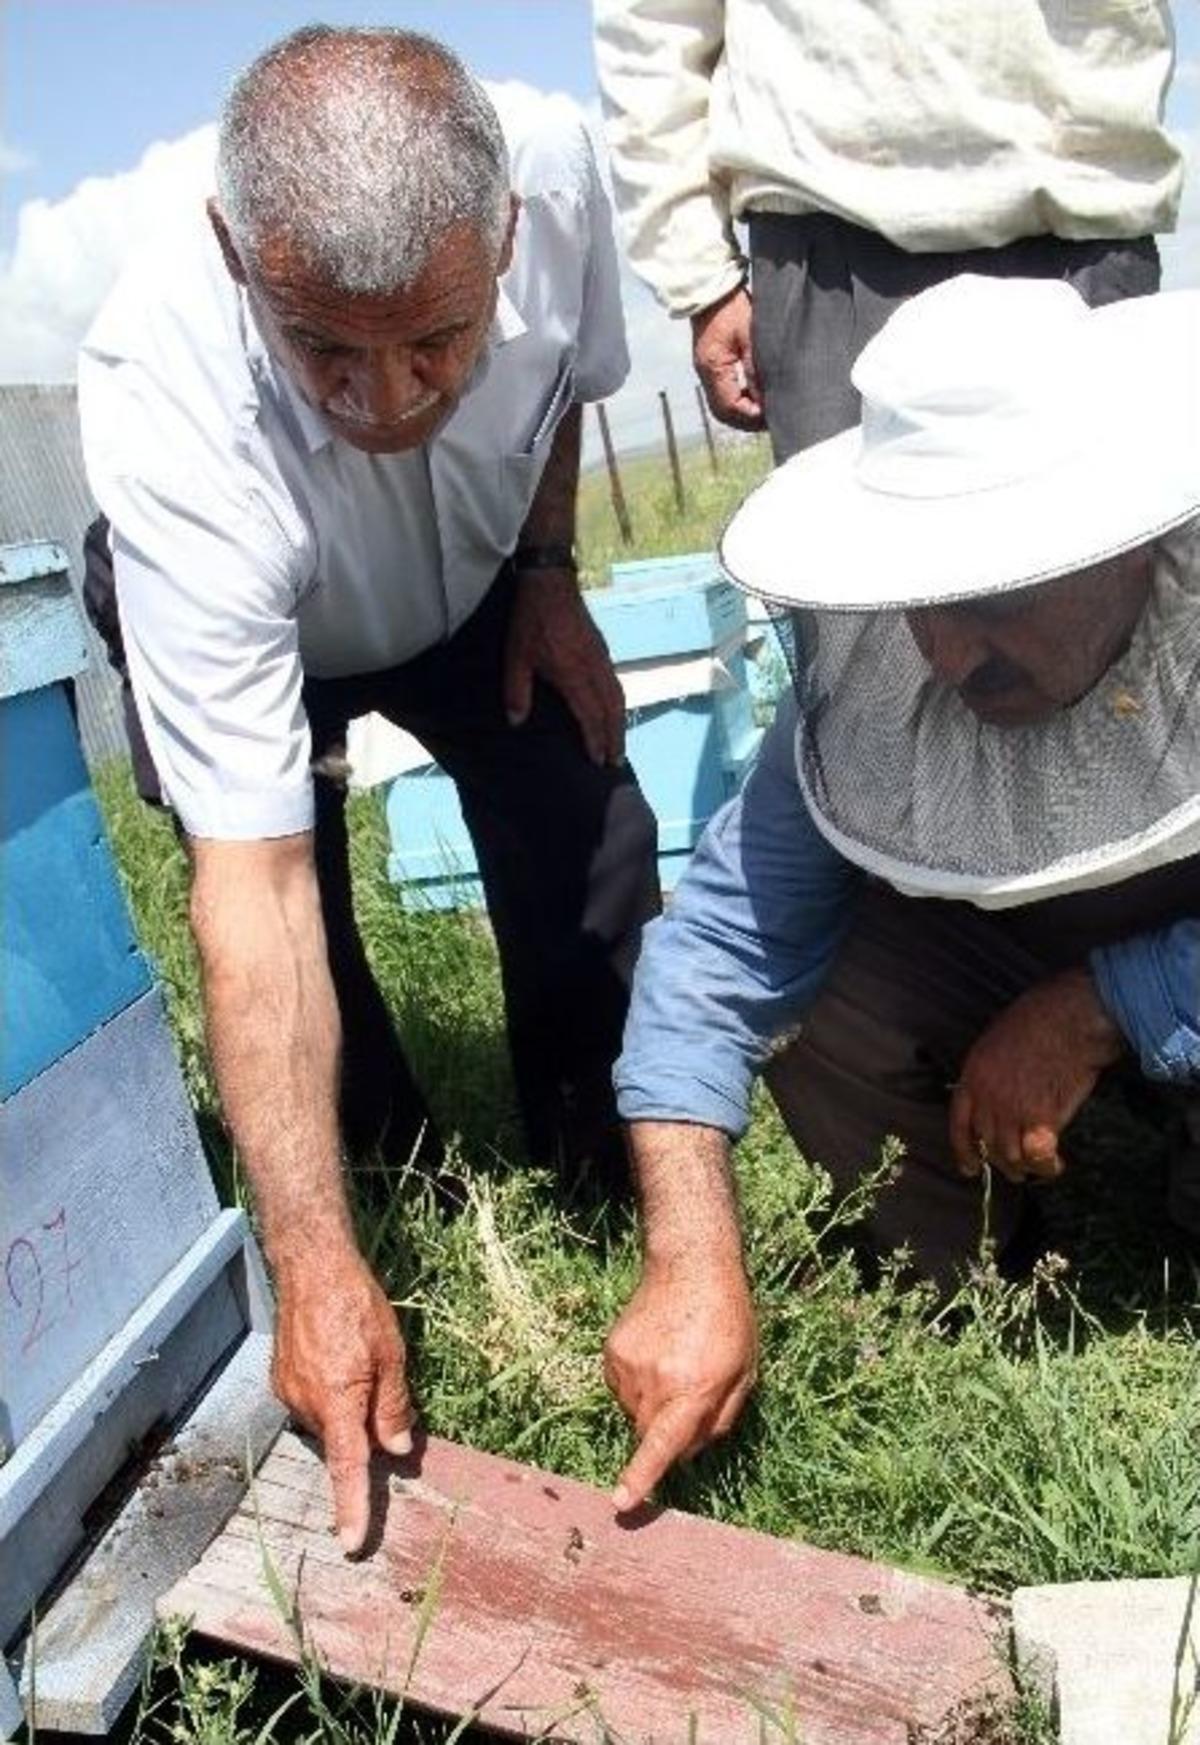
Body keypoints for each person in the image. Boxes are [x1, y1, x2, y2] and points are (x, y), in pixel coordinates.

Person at [78, 25, 660, 1553]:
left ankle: (601, 1152)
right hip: (275, 610)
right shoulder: (170, 389)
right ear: (233, 251)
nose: (389, 399)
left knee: (585, 824)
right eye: (326, 349)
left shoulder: (561, 177)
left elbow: (572, 387)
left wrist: (547, 568)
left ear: (510, 238)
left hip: (480, 580)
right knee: (306, 910)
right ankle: (375, 1184)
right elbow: (251, 893)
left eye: (438, 343)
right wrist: (312, 1257)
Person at [602, 275, 1200, 1514]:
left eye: (992, 595)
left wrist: (1102, 1003)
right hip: (1024, 979)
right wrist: (693, 1249)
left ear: (1128, 535)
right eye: (923, 594)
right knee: (828, 992)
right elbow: (719, 940)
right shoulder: (884, 675)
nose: (946, 648)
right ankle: (976, 1292)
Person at [593, 0, 1183, 458]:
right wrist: (699, 277)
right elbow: (650, 25)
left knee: (1109, 582)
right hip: (826, 238)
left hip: (1085, 211)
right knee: (862, 595)